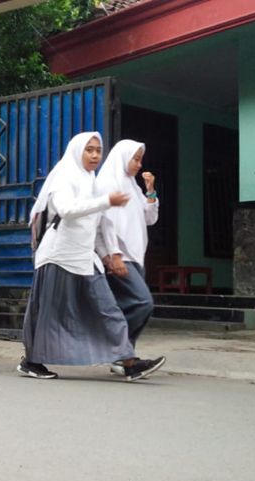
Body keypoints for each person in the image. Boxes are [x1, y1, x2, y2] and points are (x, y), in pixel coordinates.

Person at [17, 131, 165, 382]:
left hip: (85, 258)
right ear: (77, 151)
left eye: (98, 150)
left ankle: (128, 362)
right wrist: (106, 201)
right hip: (58, 256)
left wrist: (107, 255)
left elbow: (97, 226)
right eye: (90, 150)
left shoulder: (91, 181)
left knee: (108, 309)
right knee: (47, 312)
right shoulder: (65, 176)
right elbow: (66, 209)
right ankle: (31, 361)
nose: (95, 155)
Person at [96, 139, 159, 374]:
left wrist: (151, 191)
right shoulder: (106, 183)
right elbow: (105, 225)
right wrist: (114, 255)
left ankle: (124, 358)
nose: (139, 164)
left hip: (135, 256)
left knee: (129, 307)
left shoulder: (132, 186)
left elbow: (150, 218)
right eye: (135, 158)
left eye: (140, 159)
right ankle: (119, 352)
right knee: (143, 302)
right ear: (122, 157)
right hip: (120, 257)